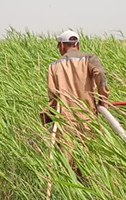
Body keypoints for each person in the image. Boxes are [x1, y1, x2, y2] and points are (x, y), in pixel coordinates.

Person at [41, 30, 110, 173]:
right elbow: (101, 75)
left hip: (65, 121)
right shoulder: (90, 59)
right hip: (88, 118)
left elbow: (53, 98)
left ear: (61, 45)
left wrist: (46, 116)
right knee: (89, 160)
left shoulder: (53, 66)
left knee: (68, 165)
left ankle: (75, 191)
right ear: (77, 45)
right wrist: (103, 98)